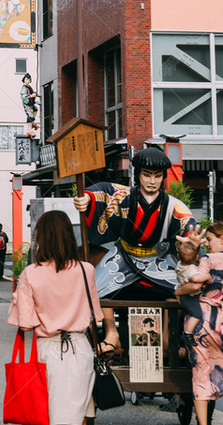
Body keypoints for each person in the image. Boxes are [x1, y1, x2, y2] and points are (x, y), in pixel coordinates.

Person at [73, 145, 196, 351]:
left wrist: (193, 244)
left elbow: (188, 228)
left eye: (157, 176)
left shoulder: (175, 206)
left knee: (185, 290)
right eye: (147, 175)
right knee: (96, 290)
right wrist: (87, 198)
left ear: (163, 177)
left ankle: (166, 337)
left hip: (159, 260)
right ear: (137, 174)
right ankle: (112, 333)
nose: (152, 181)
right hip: (123, 257)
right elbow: (102, 191)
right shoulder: (122, 196)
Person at [9, 209, 102, 425]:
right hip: (80, 349)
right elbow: (94, 315)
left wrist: (18, 300)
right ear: (69, 235)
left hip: (47, 352)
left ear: (41, 238)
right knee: (78, 417)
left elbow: (25, 324)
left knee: (45, 414)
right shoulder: (86, 270)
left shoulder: (30, 273)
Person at [176, 221, 223, 425]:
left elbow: (195, 284)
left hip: (205, 322)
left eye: (211, 239)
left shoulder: (209, 259)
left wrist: (177, 291)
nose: (208, 243)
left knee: (201, 373)